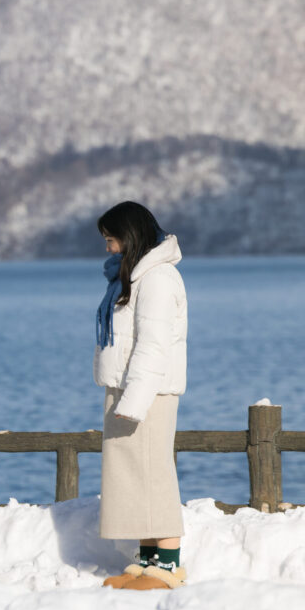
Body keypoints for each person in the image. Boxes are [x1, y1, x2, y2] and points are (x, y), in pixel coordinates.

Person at [93, 202, 189, 590]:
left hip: (148, 393)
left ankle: (168, 567)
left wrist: (133, 402)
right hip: (128, 389)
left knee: (153, 475)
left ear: (130, 237)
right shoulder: (133, 277)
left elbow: (153, 346)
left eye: (111, 239)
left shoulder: (158, 279)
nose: (108, 248)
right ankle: (149, 562)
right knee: (135, 478)